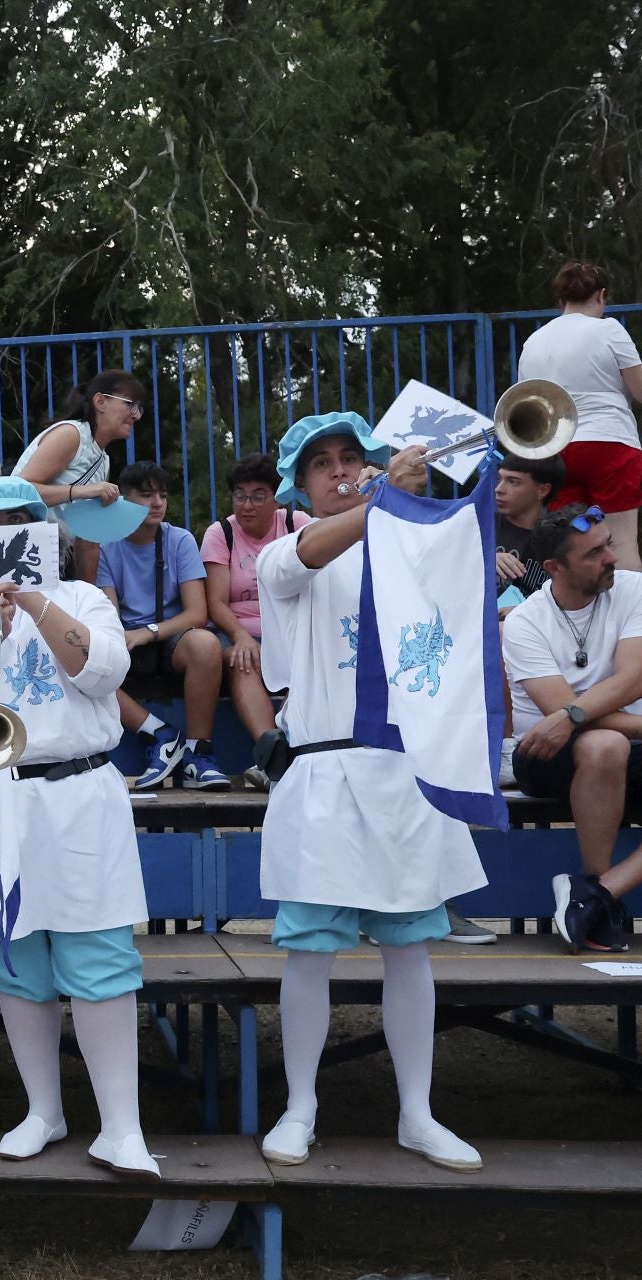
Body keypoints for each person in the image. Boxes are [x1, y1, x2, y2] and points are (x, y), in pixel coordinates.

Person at [254, 413, 484, 1172]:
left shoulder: (406, 540)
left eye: (351, 457)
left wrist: (419, 506)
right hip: (324, 773)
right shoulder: (287, 551)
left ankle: (418, 1112)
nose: (339, 469)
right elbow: (317, 549)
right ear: (300, 484)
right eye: (321, 463)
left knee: (411, 950)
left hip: (404, 773)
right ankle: (300, 1107)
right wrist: (382, 504)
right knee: (309, 954)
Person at [0, 476, 158, 1178]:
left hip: (79, 792)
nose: (4, 534)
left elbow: (103, 669)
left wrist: (34, 602)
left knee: (100, 960)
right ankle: (43, 1112)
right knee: (16, 963)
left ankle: (122, 1127)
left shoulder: (84, 598)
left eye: (19, 521)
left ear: (43, 530)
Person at [503, 504, 642, 953]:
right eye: (593, 554)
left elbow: (632, 679)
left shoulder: (633, 590)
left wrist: (570, 715)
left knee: (609, 743)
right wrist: (570, 716)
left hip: (624, 745)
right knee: (603, 744)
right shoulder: (525, 621)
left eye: (608, 545)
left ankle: (596, 895)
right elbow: (561, 714)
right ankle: (600, 894)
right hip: (544, 756)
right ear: (553, 568)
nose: (611, 559)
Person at [95, 462, 226, 790]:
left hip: (170, 638)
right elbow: (107, 614)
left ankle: (198, 754)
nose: (157, 502)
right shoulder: (106, 547)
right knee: (83, 659)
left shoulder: (179, 540)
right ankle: (161, 734)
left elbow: (197, 613)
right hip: (126, 641)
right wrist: (127, 637)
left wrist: (148, 632)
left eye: (163, 495)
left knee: (206, 644)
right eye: (146, 494)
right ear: (122, 500)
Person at [518, 261, 642, 570]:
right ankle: (632, 618)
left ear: (560, 300)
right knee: (621, 540)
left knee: (570, 542)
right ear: (601, 296)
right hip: (609, 444)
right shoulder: (609, 329)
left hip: (555, 450)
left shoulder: (533, 342)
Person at [200, 453, 311, 782]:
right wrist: (241, 636)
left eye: (258, 496)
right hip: (239, 629)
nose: (246, 505)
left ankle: (296, 749)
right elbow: (216, 602)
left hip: (289, 627)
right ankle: (273, 752)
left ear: (276, 499)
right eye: (240, 495)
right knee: (242, 660)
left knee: (308, 659)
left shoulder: (297, 525)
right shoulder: (221, 533)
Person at [12, 370, 144, 584]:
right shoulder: (71, 434)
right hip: (23, 554)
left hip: (56, 562)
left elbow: (88, 537)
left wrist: (87, 594)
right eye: (130, 404)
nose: (136, 415)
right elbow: (18, 490)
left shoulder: (103, 459)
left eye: (139, 408)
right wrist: (81, 492)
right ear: (100, 402)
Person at [494, 453, 566, 600]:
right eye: (499, 479)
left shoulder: (561, 540)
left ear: (542, 490)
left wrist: (525, 611)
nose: (499, 489)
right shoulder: (480, 526)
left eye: (513, 482)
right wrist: (484, 559)